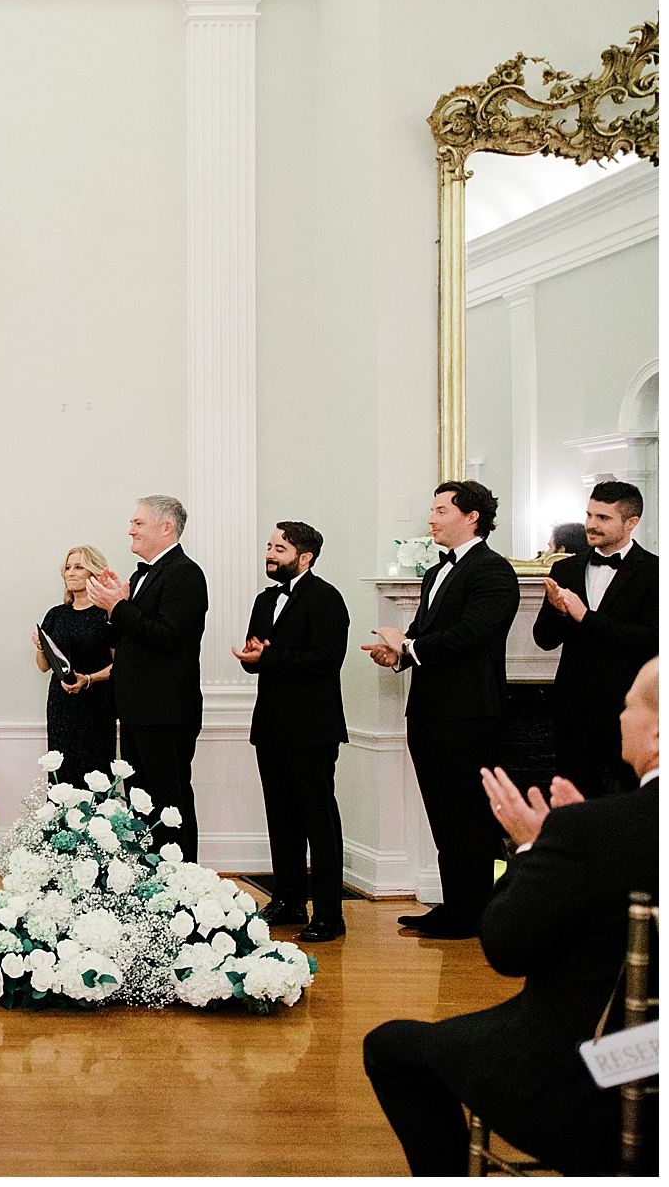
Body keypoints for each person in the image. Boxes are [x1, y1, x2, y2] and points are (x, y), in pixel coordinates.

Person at [362, 658, 659, 1176]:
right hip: (658, 1055)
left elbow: (505, 947)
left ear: (657, 734)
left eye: (628, 704)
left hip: (596, 1079)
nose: (619, 716)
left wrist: (533, 849)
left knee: (390, 1047)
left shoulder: (596, 829)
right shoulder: (600, 829)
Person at [363, 480, 520, 940]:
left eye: (440, 510)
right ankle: (454, 906)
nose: (431, 519)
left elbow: (470, 635)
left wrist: (409, 645)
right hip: (430, 712)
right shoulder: (435, 573)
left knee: (469, 816)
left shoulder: (493, 571)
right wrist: (397, 655)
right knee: (443, 814)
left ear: (472, 517)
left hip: (470, 714)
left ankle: (474, 914)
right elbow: (425, 633)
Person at [232, 522, 349, 942]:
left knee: (319, 820)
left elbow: (325, 659)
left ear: (305, 557)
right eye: (269, 546)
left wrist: (269, 656)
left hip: (312, 727)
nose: (270, 553)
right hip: (271, 724)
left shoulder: (326, 598)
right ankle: (288, 899)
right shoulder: (266, 599)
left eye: (279, 548)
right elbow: (259, 655)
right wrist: (251, 658)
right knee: (280, 817)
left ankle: (330, 915)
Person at [87, 496, 208, 863]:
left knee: (169, 803)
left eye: (138, 523)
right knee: (140, 801)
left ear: (166, 527)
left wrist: (119, 607)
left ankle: (180, 882)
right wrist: (115, 608)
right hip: (138, 709)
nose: (131, 530)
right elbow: (122, 639)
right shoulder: (144, 575)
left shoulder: (184, 574)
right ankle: (148, 885)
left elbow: (167, 636)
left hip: (166, 710)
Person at [534, 481, 658, 797]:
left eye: (603, 517)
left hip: (629, 710)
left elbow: (652, 639)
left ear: (631, 523)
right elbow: (544, 640)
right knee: (573, 803)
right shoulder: (566, 569)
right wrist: (560, 612)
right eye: (589, 514)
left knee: (634, 804)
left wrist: (585, 617)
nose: (591, 524)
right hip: (573, 709)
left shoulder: (655, 571)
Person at [31, 545, 117, 781]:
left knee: (95, 775)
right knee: (62, 775)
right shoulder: (56, 615)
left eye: (79, 567)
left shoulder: (107, 614)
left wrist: (88, 679)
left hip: (97, 705)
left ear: (94, 573)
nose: (71, 572)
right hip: (61, 706)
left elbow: (119, 665)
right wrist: (41, 647)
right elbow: (43, 666)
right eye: (68, 567)